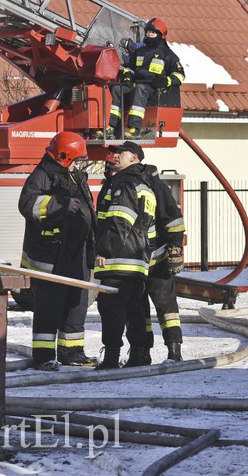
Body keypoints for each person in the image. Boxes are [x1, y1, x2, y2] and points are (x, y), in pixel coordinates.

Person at [18, 132, 97, 371]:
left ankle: (71, 352)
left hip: (76, 253)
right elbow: (26, 205)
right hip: (51, 255)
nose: (79, 163)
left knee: (76, 304)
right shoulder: (42, 176)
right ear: (64, 156)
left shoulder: (74, 177)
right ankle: (44, 357)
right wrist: (58, 204)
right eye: (76, 158)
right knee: (49, 307)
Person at [94, 141, 157, 369]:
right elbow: (149, 230)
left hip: (118, 259)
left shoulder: (125, 182)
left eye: (121, 152)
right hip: (137, 260)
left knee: (111, 309)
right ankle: (138, 356)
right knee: (134, 310)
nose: (115, 155)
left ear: (134, 158)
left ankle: (111, 358)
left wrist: (104, 249)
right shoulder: (144, 185)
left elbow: (121, 219)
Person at [99, 17, 185, 139]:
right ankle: (111, 127)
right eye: (148, 31)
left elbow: (180, 75)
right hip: (137, 85)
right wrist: (128, 75)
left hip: (153, 88)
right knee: (118, 89)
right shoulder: (140, 51)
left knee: (140, 89)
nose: (150, 34)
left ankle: (134, 129)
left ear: (162, 35)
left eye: (153, 32)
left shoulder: (168, 54)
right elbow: (130, 67)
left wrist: (166, 81)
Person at [141, 163, 186, 364]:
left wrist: (175, 250)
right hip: (137, 261)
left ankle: (174, 351)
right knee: (140, 310)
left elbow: (174, 221)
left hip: (156, 260)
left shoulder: (155, 187)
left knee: (166, 308)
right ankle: (143, 352)